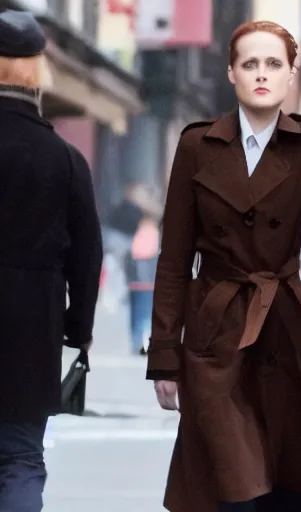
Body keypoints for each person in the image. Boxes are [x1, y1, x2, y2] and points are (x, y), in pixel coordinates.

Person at [147, 20, 301, 512]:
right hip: (215, 333)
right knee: (232, 487)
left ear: (291, 75)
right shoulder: (198, 145)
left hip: (284, 327)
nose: (262, 74)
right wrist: (163, 356)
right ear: (232, 74)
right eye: (250, 64)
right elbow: (173, 258)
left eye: (274, 64)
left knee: (289, 486)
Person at [0, 10, 103, 512]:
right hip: (32, 327)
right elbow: (87, 254)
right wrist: (78, 327)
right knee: (20, 456)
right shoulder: (64, 159)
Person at [125, 215, 160, 355]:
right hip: (148, 284)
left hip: (135, 283)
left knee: (136, 316)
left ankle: (137, 343)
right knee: (146, 315)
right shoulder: (154, 235)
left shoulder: (137, 235)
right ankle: (143, 344)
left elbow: (132, 257)